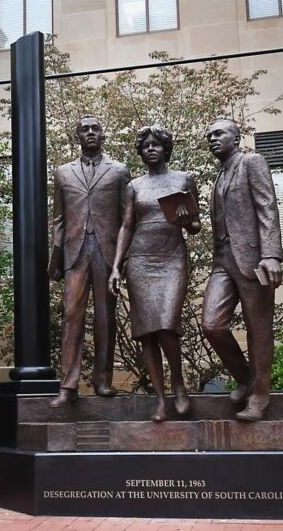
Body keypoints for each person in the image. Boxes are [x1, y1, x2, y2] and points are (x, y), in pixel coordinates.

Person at [109, 124, 201, 422]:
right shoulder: (134, 186)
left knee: (166, 325)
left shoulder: (184, 179)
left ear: (165, 148)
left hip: (171, 256)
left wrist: (188, 221)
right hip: (140, 260)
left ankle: (178, 384)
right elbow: (126, 226)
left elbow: (196, 226)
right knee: (147, 333)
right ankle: (160, 399)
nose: (150, 148)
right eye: (145, 145)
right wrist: (115, 266)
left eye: (155, 144)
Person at [201, 119, 283, 422]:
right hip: (222, 261)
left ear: (237, 138)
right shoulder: (219, 176)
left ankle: (260, 397)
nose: (212, 138)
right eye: (209, 135)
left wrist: (272, 254)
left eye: (219, 133)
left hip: (252, 259)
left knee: (258, 330)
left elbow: (267, 207)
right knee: (212, 324)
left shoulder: (252, 162)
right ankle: (246, 378)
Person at [48, 115, 131, 408]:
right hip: (75, 252)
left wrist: (122, 262)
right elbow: (58, 217)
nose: (91, 133)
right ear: (77, 137)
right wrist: (55, 258)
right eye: (85, 129)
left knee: (105, 317)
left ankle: (103, 381)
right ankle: (68, 385)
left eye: (96, 128)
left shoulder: (119, 171)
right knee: (72, 317)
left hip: (107, 252)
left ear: (103, 135)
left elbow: (126, 220)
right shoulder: (62, 173)